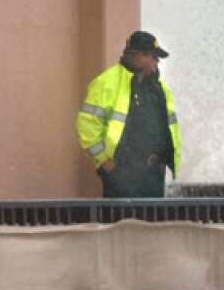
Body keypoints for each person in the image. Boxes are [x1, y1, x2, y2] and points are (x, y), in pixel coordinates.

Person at [77, 31, 182, 197]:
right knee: (122, 221)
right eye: (154, 57)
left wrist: (165, 161)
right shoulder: (106, 83)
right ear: (139, 56)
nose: (157, 62)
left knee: (152, 222)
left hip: (153, 173)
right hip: (120, 173)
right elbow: (87, 127)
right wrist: (105, 162)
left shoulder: (159, 88)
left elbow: (169, 128)